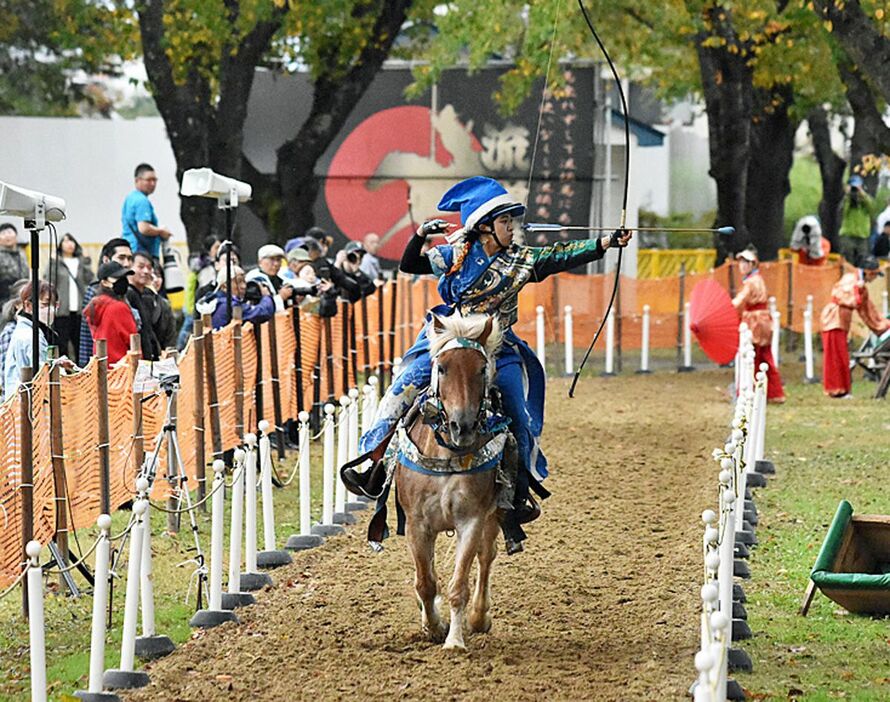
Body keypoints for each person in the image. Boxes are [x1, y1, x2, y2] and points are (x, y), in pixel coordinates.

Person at [343, 176, 632, 552]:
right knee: (398, 394)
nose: (512, 228)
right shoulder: (456, 253)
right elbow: (411, 264)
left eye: (513, 221)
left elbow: (560, 255)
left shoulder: (521, 259)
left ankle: (514, 500)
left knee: (520, 416)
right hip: (449, 338)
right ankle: (376, 468)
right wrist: (419, 235)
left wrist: (605, 242)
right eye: (505, 222)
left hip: (498, 346)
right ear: (484, 227)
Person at [820, 255, 890, 398]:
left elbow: (867, 311)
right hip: (833, 320)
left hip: (841, 321)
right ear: (869, 272)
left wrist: (883, 326)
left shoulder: (860, 284)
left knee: (842, 356)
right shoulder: (850, 280)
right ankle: (836, 390)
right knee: (835, 356)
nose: (875, 279)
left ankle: (843, 389)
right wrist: (857, 292)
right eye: (875, 275)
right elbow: (845, 298)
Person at [731, 247, 785, 403]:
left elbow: (740, 301)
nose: (741, 266)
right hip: (764, 320)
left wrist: (724, 308)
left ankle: (750, 391)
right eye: (740, 262)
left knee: (752, 357)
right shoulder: (758, 279)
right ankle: (774, 393)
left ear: (752, 265)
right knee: (765, 356)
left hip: (754, 321)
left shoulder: (750, 282)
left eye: (745, 263)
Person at [78, 238, 134, 365]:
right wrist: (86, 368)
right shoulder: (94, 293)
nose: (126, 263)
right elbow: (87, 338)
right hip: (118, 367)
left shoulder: (127, 292)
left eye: (130, 258)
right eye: (121, 257)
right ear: (106, 260)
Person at [4, 281, 58, 400]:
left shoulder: (33, 331)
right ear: (28, 306)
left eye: (55, 305)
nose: (51, 310)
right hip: (25, 407)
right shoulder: (30, 336)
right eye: (45, 305)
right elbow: (43, 374)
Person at [43, 232, 93, 358]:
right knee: (62, 343)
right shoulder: (56, 261)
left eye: (71, 240)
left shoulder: (81, 261)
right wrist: (52, 262)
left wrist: (87, 261)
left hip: (80, 310)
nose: (69, 244)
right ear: (59, 245)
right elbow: (49, 281)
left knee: (80, 344)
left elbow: (90, 279)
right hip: (62, 310)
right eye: (65, 241)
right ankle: (63, 372)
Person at [121, 163, 172, 260]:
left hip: (130, 250)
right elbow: (144, 228)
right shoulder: (142, 201)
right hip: (143, 254)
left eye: (154, 180)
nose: (152, 183)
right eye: (149, 180)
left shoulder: (130, 198)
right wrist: (162, 231)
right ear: (137, 180)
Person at [209, 266, 275, 330]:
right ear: (224, 286)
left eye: (244, 281)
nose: (244, 286)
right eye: (239, 282)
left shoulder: (214, 300)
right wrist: (266, 296)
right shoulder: (229, 304)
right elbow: (262, 313)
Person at [128, 251, 162, 360]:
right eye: (141, 267)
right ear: (130, 267)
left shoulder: (147, 294)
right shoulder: (128, 294)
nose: (146, 271)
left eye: (149, 267)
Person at [838, 175, 875, 264]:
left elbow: (872, 209)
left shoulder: (866, 201)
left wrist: (863, 195)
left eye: (857, 187)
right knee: (847, 262)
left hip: (862, 237)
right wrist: (847, 195)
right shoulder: (846, 200)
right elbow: (842, 212)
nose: (855, 190)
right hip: (848, 236)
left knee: (862, 263)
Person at [245, 244, 294, 311]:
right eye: (272, 259)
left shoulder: (281, 280)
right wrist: (280, 297)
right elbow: (258, 309)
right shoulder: (254, 282)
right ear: (260, 262)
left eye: (278, 260)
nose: (276, 264)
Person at [0, 223, 29, 305]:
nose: (7, 236)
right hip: (3, 300)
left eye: (9, 232)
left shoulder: (22, 253)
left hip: (22, 298)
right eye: (3, 234)